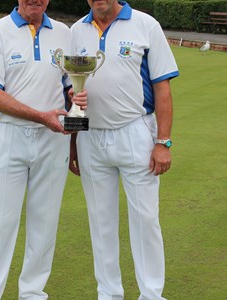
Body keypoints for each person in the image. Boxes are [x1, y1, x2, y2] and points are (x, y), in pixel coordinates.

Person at [0, 1, 87, 299]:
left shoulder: (63, 32)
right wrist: (40, 116)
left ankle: (33, 293)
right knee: (1, 223)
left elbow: (68, 84)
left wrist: (74, 92)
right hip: (10, 136)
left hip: (54, 139)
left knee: (45, 222)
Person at [69, 1, 179, 300]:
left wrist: (163, 141)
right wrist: (73, 142)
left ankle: (152, 294)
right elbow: (73, 90)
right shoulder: (77, 30)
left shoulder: (145, 25)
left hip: (136, 132)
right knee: (100, 220)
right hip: (91, 136)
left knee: (145, 219)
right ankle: (109, 294)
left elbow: (162, 88)